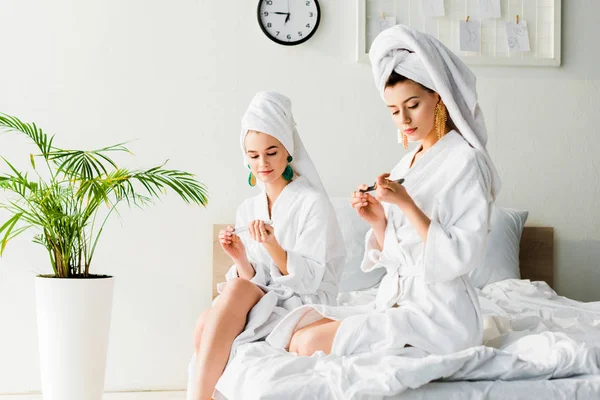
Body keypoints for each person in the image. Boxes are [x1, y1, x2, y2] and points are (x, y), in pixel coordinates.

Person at [266, 24, 501, 359]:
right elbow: (399, 252)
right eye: (393, 111)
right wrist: (378, 221)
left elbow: (461, 256)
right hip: (397, 301)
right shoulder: (408, 163)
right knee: (293, 331)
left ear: (438, 96)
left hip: (440, 314)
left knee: (305, 343)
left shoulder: (466, 161)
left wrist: (405, 204)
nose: (403, 119)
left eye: (413, 104)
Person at [188, 91, 346, 400]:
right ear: (245, 156)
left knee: (227, 299)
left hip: (304, 299)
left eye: (271, 152)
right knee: (203, 322)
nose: (262, 163)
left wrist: (273, 245)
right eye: (254, 154)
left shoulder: (313, 203)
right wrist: (240, 257)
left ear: (288, 151)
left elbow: (310, 279)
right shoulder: (249, 209)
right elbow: (252, 281)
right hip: (266, 299)